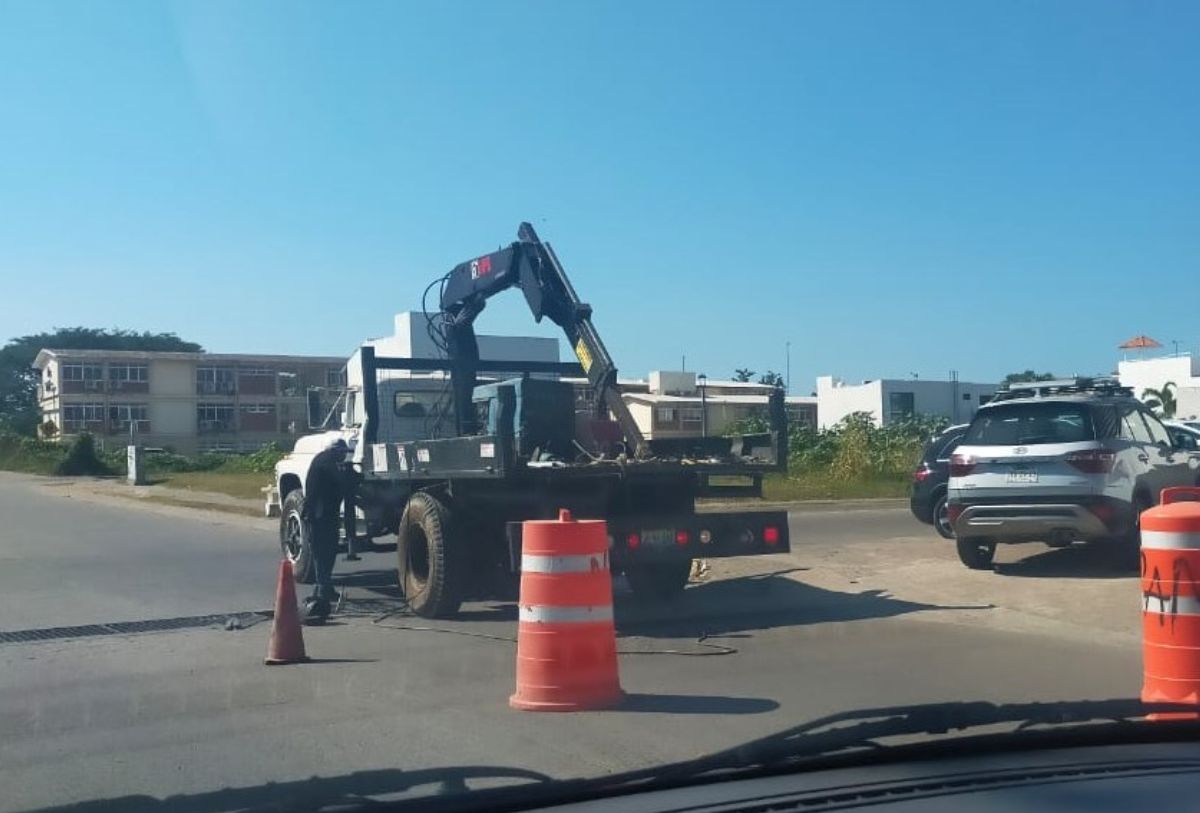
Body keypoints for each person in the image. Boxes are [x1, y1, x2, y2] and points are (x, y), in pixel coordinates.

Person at [301, 437, 349, 624]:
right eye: (343, 453)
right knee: (323, 551)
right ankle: (322, 590)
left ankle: (324, 588)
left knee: (328, 551)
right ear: (336, 451)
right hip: (320, 515)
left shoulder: (324, 460)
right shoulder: (326, 461)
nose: (344, 457)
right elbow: (341, 480)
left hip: (325, 514)